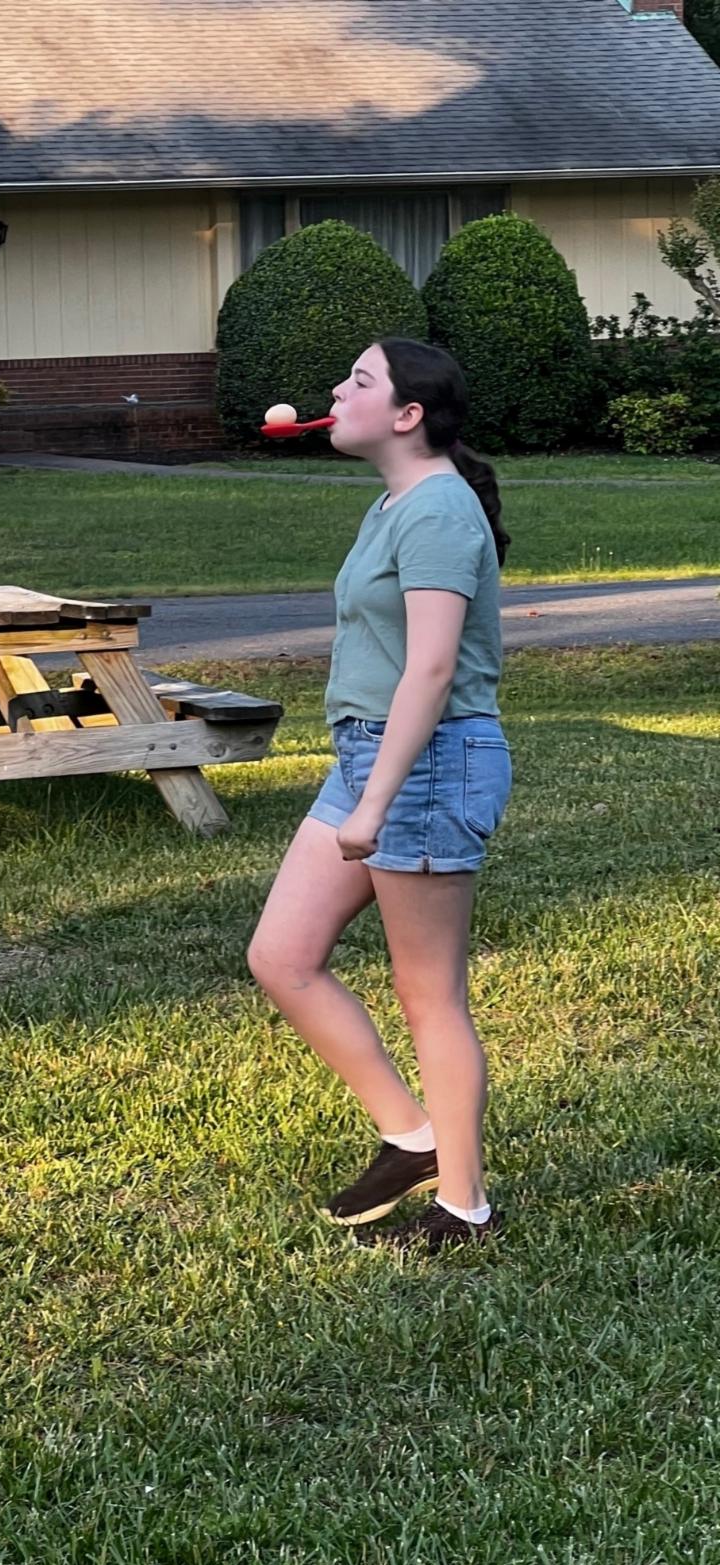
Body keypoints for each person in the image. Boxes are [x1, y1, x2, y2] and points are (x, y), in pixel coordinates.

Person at [248, 337, 512, 1252]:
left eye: (359, 380)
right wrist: (364, 788)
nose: (335, 390)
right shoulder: (397, 501)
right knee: (282, 956)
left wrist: (374, 803)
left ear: (407, 415)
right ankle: (413, 1138)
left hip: (428, 761)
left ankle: (465, 1208)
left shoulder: (437, 510)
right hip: (372, 755)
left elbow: (432, 669)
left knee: (429, 993)